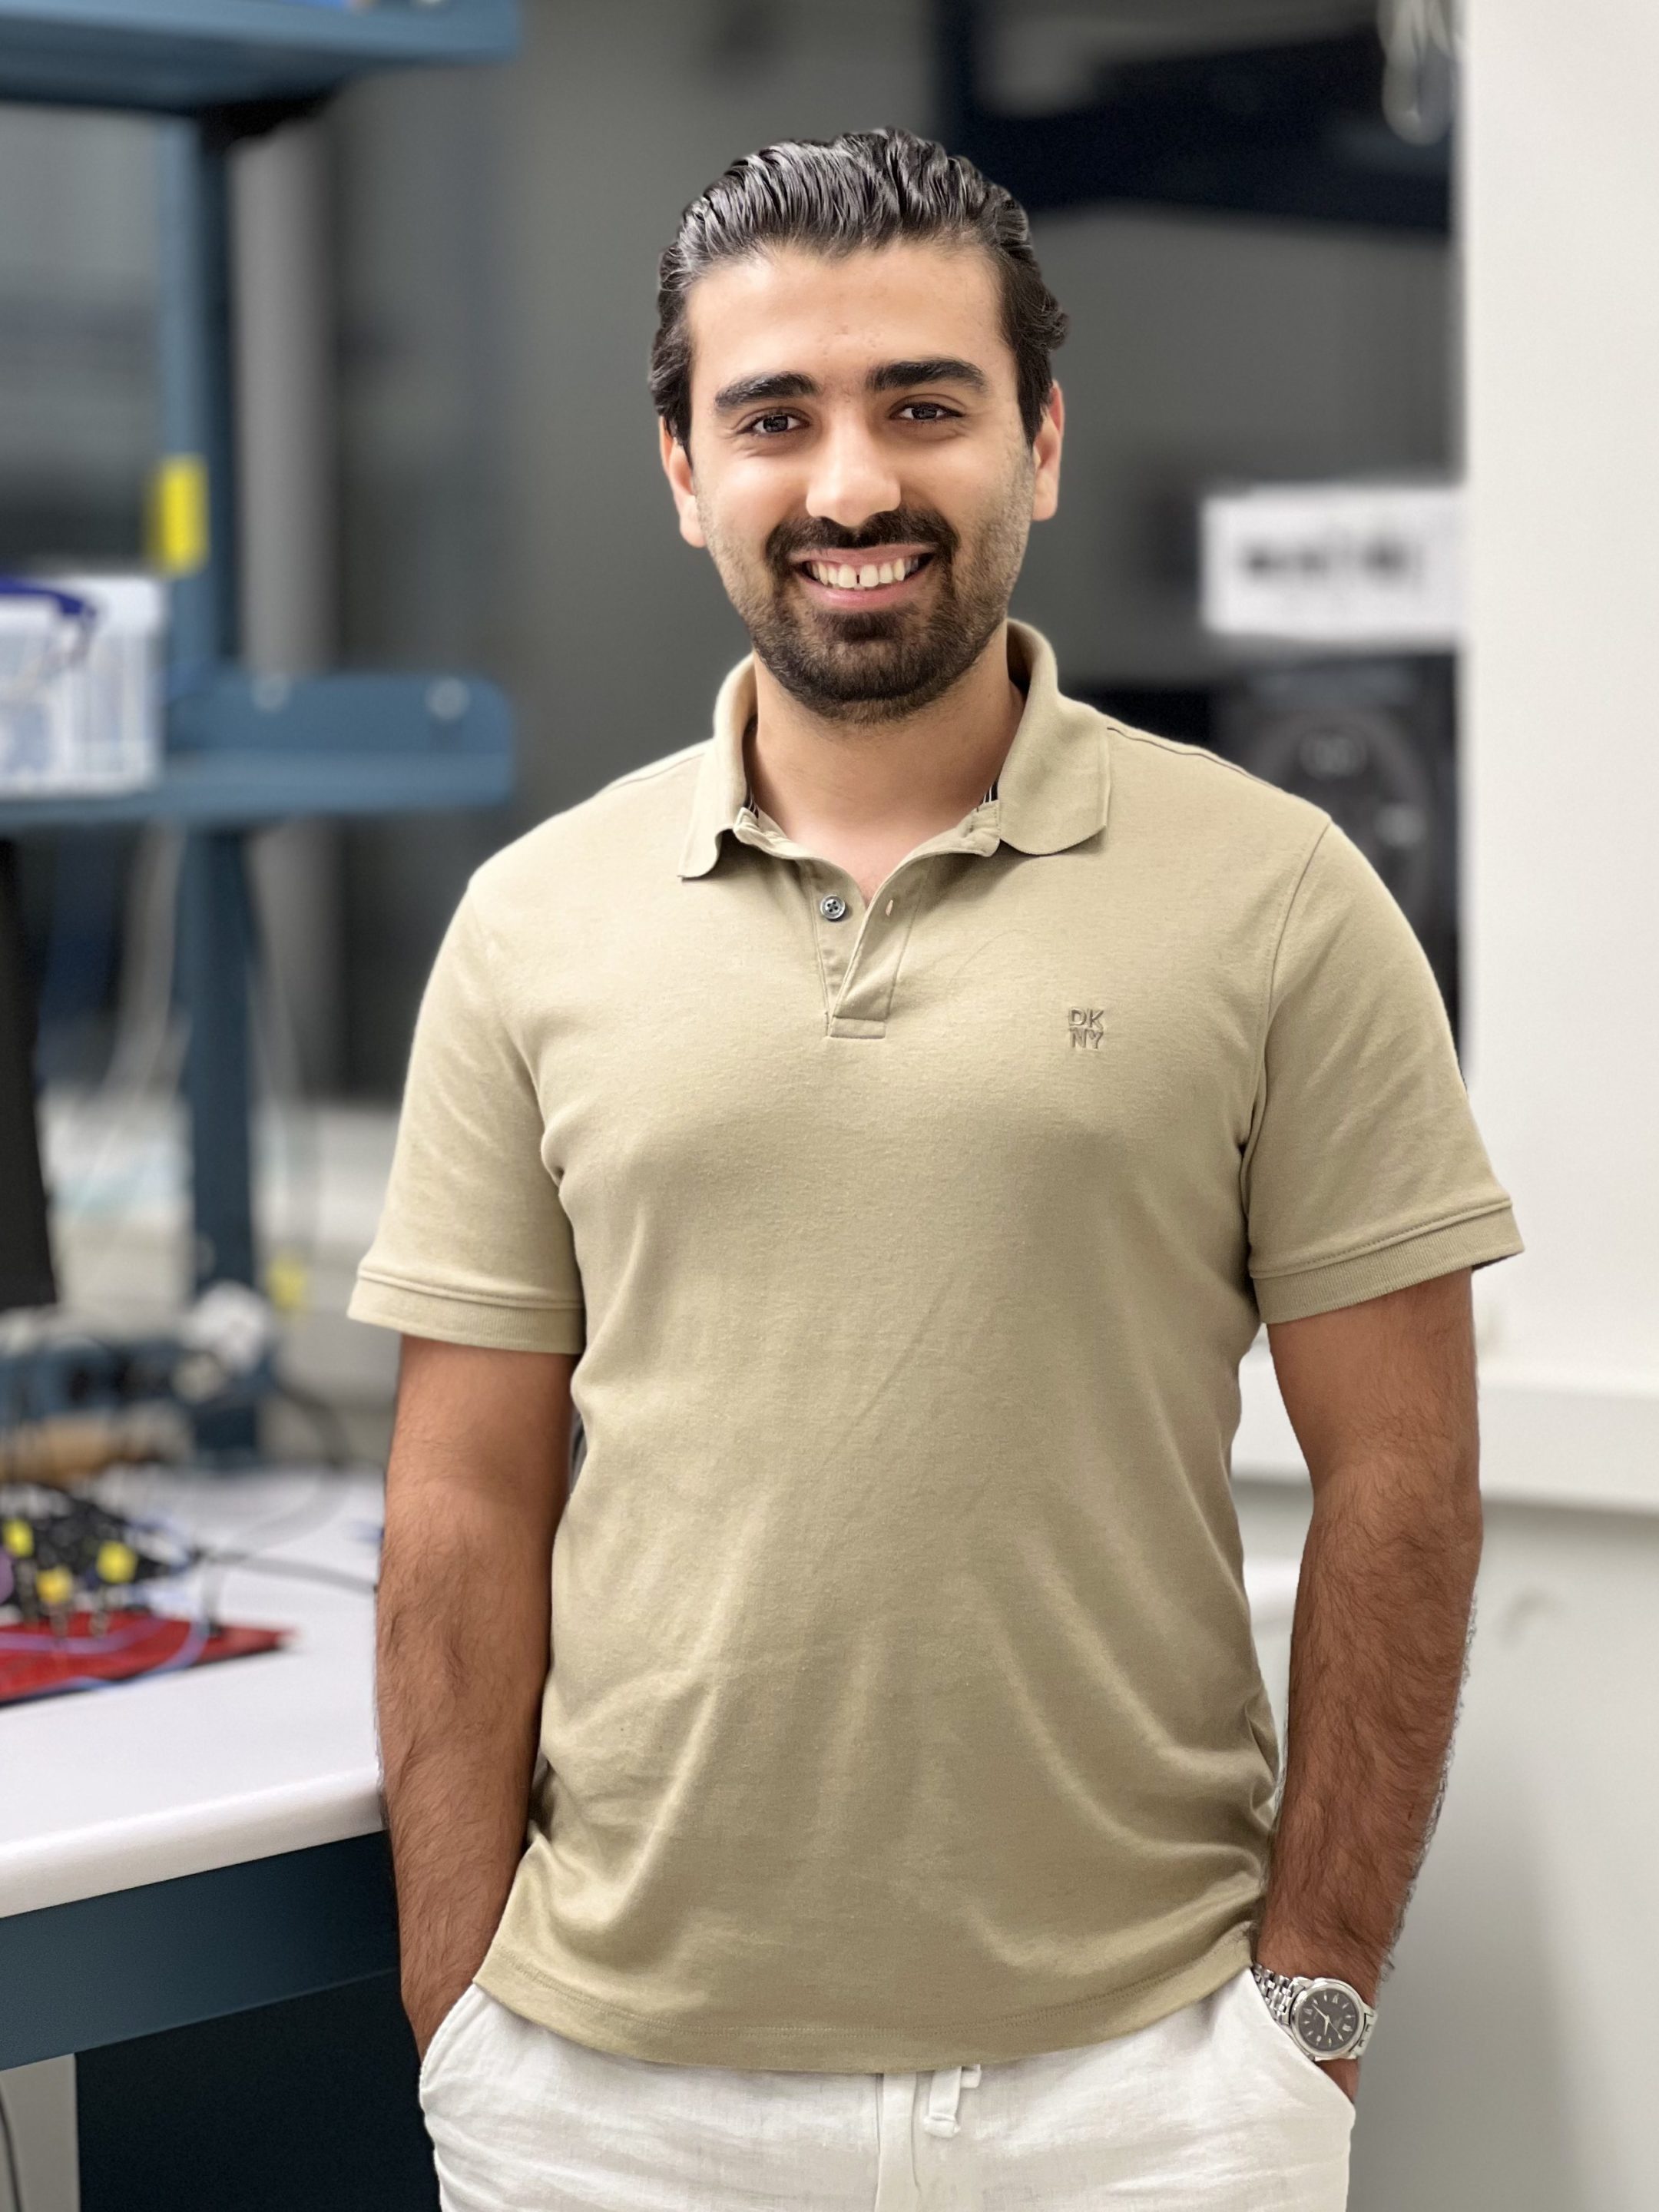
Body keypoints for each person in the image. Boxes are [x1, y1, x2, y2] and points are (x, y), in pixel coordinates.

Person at [348, 127, 1522, 2211]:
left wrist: (1308, 2014)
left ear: (1041, 442)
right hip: (614, 2103)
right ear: (685, 469)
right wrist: (467, 2018)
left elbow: (1406, 1479)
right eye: (775, 416)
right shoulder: (533, 926)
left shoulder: (1277, 899)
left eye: (925, 404)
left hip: (1139, 2096)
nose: (856, 486)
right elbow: (461, 1499)